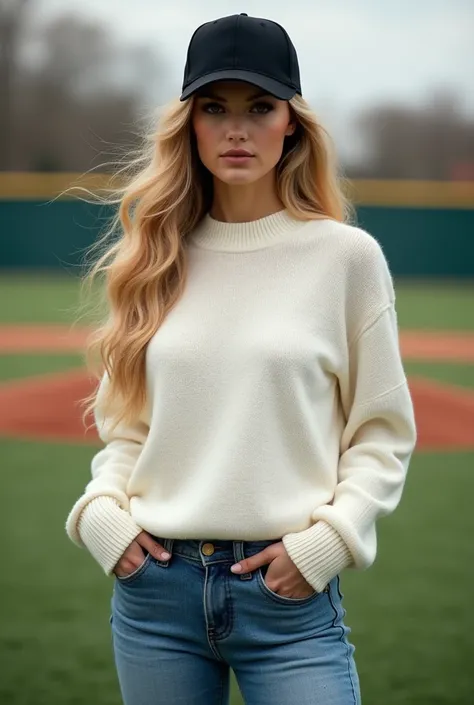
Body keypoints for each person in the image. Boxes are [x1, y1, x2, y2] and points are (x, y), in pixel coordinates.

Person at [65, 12, 417, 705]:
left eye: (260, 107)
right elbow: (127, 429)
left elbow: (381, 433)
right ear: (188, 123)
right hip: (154, 597)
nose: (236, 129)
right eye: (214, 108)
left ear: (292, 122)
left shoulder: (346, 259)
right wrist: (102, 513)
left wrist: (328, 543)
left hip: (288, 600)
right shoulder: (155, 257)